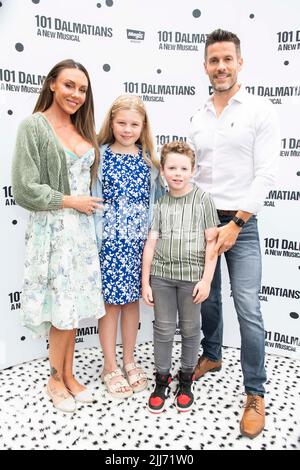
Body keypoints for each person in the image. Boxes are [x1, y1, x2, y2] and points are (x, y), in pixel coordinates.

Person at [189, 29, 280, 437]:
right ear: (206, 66)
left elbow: (266, 175)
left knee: (248, 309)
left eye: (228, 59)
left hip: (242, 223)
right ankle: (211, 355)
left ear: (240, 62)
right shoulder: (198, 114)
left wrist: (237, 223)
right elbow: (192, 172)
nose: (221, 67)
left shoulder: (260, 109)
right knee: (207, 300)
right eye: (214, 60)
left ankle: (255, 393)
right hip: (204, 222)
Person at [11, 59, 105, 413]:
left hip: (80, 235)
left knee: (73, 309)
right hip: (52, 231)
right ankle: (54, 379)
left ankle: (68, 374)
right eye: (69, 85)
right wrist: (69, 200)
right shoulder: (33, 127)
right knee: (59, 308)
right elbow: (24, 188)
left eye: (82, 89)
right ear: (52, 84)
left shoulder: (84, 131)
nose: (76, 94)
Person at [93, 95, 164, 398]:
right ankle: (109, 365)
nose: (127, 129)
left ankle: (130, 360)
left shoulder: (148, 160)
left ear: (143, 126)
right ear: (111, 122)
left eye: (134, 124)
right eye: (121, 122)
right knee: (110, 304)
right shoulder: (99, 156)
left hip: (138, 243)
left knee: (131, 302)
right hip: (108, 242)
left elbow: (157, 203)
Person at [142, 141, 219, 413]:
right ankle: (162, 378)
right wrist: (145, 282)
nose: (177, 173)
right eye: (172, 168)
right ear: (162, 170)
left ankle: (186, 378)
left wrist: (207, 279)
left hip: (192, 279)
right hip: (162, 277)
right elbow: (151, 243)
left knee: (189, 329)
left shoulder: (203, 200)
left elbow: (212, 243)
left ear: (193, 170)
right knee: (162, 329)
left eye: (183, 168)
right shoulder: (161, 204)